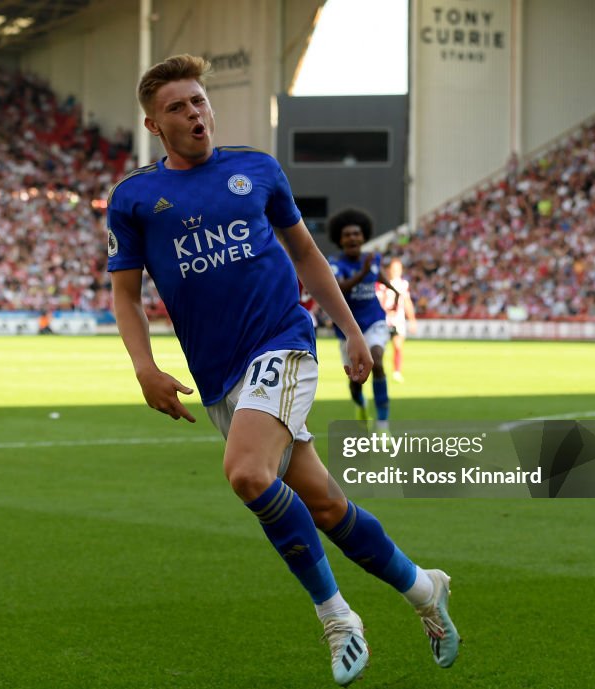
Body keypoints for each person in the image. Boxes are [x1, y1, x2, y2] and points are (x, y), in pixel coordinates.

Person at [106, 54, 459, 687]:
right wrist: (144, 368)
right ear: (154, 126)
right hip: (218, 375)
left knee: (246, 473)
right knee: (324, 504)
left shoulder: (257, 170)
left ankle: (338, 619)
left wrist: (351, 332)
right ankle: (424, 589)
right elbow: (125, 294)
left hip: (282, 344)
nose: (194, 113)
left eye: (199, 101)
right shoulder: (133, 199)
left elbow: (305, 253)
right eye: (177, 107)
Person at [327, 209, 404, 431]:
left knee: (377, 362)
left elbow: (376, 273)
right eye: (347, 235)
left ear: (364, 237)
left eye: (356, 234)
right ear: (340, 240)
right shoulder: (335, 264)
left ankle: (382, 424)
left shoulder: (373, 259)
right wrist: (361, 273)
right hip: (348, 328)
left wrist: (393, 290)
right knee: (356, 377)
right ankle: (360, 403)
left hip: (374, 320)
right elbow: (339, 289)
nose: (353, 238)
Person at [377, 258, 417, 382]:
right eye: (394, 269)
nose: (396, 272)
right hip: (383, 320)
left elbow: (407, 302)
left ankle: (397, 372)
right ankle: (379, 371)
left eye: (398, 269)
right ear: (388, 270)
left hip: (398, 320)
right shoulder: (381, 284)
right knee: (379, 348)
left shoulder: (403, 284)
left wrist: (412, 319)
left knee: (398, 346)